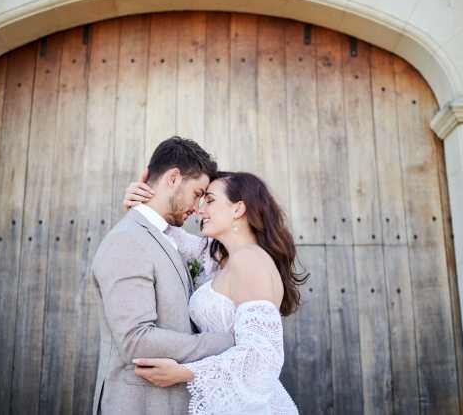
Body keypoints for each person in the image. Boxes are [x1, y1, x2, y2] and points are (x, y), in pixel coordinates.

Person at [124, 169, 309, 415]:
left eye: (209, 200)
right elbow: (167, 234)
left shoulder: (250, 261)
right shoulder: (220, 256)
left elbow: (261, 358)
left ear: (238, 209)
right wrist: (143, 203)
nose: (201, 210)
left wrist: (185, 373)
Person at [90, 137, 235, 415]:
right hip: (139, 406)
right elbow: (136, 339)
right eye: (197, 193)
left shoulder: (169, 239)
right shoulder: (128, 240)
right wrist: (228, 342)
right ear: (173, 178)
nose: (197, 208)